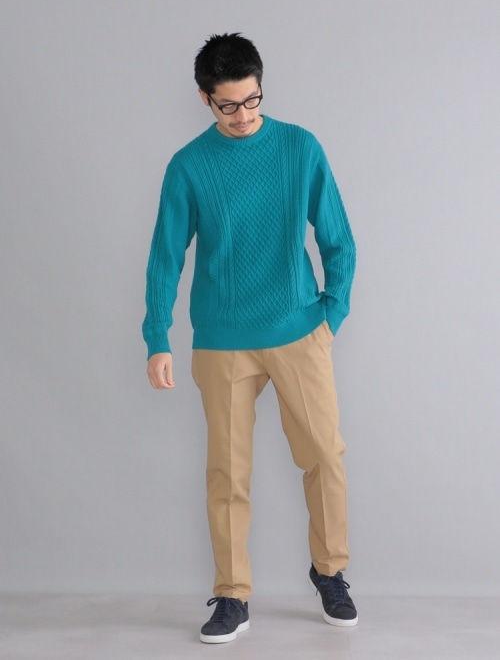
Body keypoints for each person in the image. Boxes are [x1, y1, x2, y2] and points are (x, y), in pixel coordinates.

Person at [142, 32, 357, 644]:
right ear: (205, 99)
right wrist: (158, 336)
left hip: (298, 331)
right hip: (222, 341)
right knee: (228, 472)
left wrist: (331, 314)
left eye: (253, 100)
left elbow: (338, 238)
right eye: (229, 105)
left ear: (261, 87)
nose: (243, 116)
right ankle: (232, 593)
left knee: (324, 456)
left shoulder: (299, 147)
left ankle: (330, 572)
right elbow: (165, 257)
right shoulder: (189, 165)